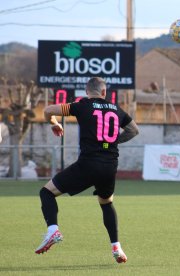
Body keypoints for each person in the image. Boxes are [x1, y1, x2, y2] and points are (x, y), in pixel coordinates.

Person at [34, 77, 139, 263]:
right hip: (110, 166)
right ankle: (117, 248)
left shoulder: (81, 105)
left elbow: (48, 110)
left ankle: (53, 230)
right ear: (104, 92)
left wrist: (54, 124)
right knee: (106, 203)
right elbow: (133, 130)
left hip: (89, 164)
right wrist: (113, 141)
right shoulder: (116, 109)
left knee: (46, 193)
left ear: (86, 91)